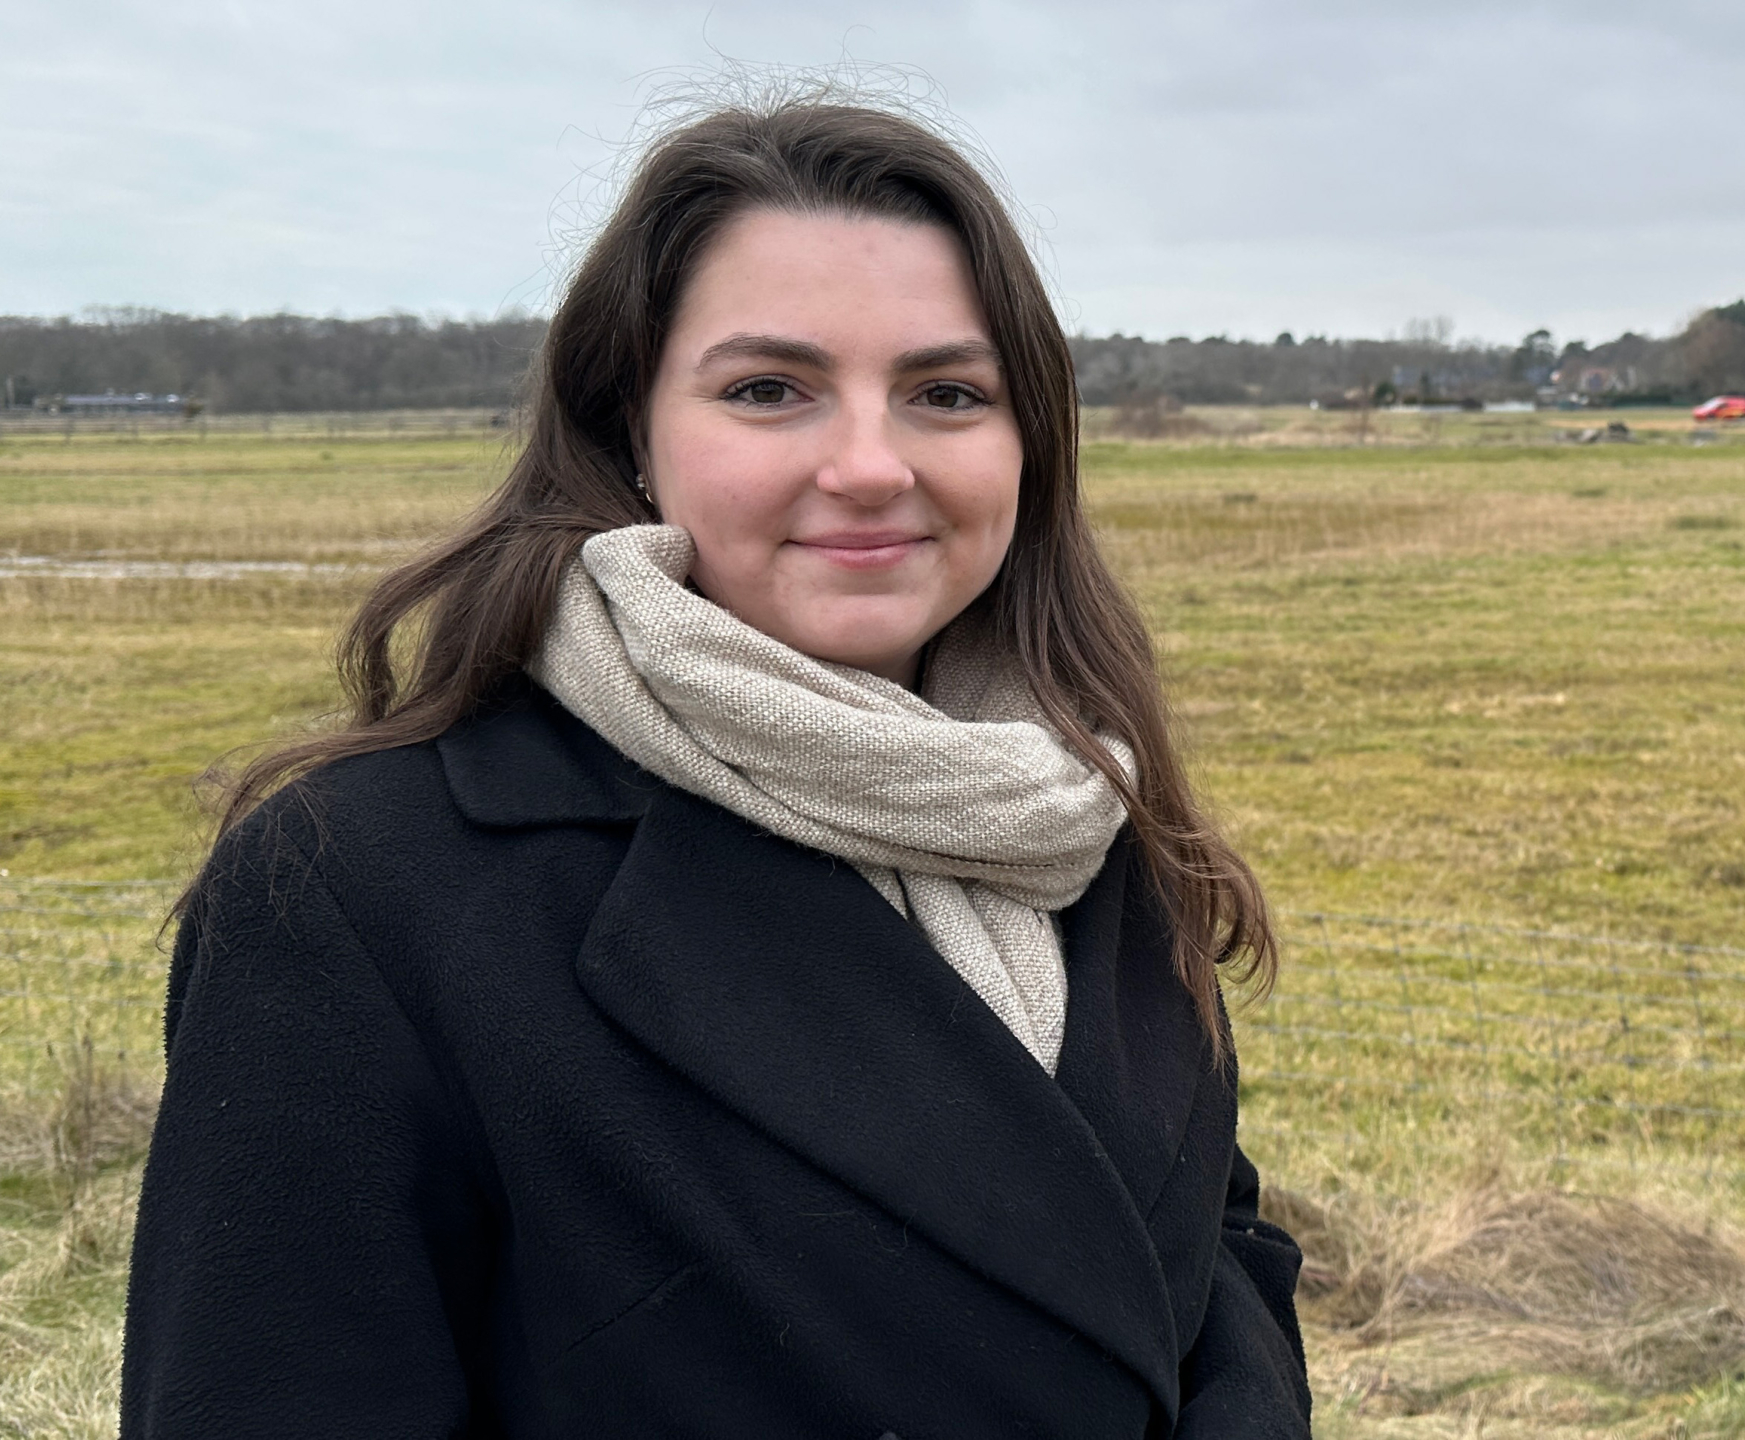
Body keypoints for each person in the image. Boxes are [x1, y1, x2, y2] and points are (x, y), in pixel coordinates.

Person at [121, 99, 1311, 1438]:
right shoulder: (358, 888)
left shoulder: (1073, 804)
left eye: (945, 393)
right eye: (768, 391)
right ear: (632, 429)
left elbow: (1209, 1246)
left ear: (1028, 443)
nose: (870, 466)